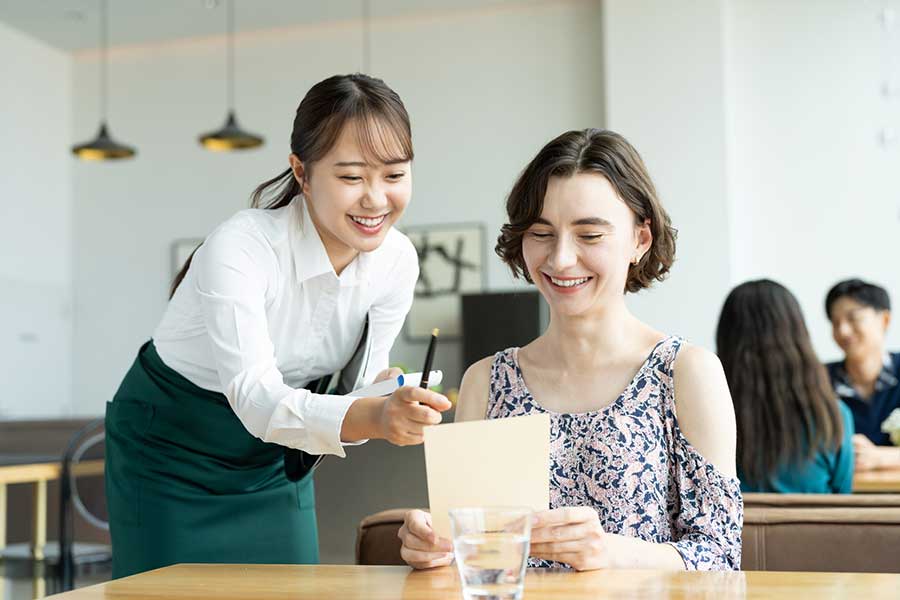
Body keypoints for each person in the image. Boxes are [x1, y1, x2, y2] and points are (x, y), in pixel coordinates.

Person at [104, 74, 451, 578]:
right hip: (169, 455)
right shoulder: (242, 246)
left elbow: (359, 385)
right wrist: (376, 419)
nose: (376, 199)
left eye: (394, 176)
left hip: (274, 459)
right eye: (352, 177)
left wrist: (394, 394)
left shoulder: (397, 261)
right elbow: (255, 397)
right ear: (302, 173)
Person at [398, 129, 742, 571]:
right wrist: (433, 548)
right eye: (541, 233)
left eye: (590, 236)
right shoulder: (487, 380)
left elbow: (722, 556)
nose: (560, 259)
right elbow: (478, 557)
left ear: (640, 239)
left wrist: (609, 553)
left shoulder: (685, 373)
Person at [716, 279, 854, 493]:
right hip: (815, 528)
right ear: (799, 336)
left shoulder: (704, 416)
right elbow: (842, 500)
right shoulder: (834, 415)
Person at [825, 278, 900, 471]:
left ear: (884, 320)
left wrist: (882, 458)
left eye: (853, 318)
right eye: (835, 322)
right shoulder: (819, 379)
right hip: (840, 496)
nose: (843, 330)